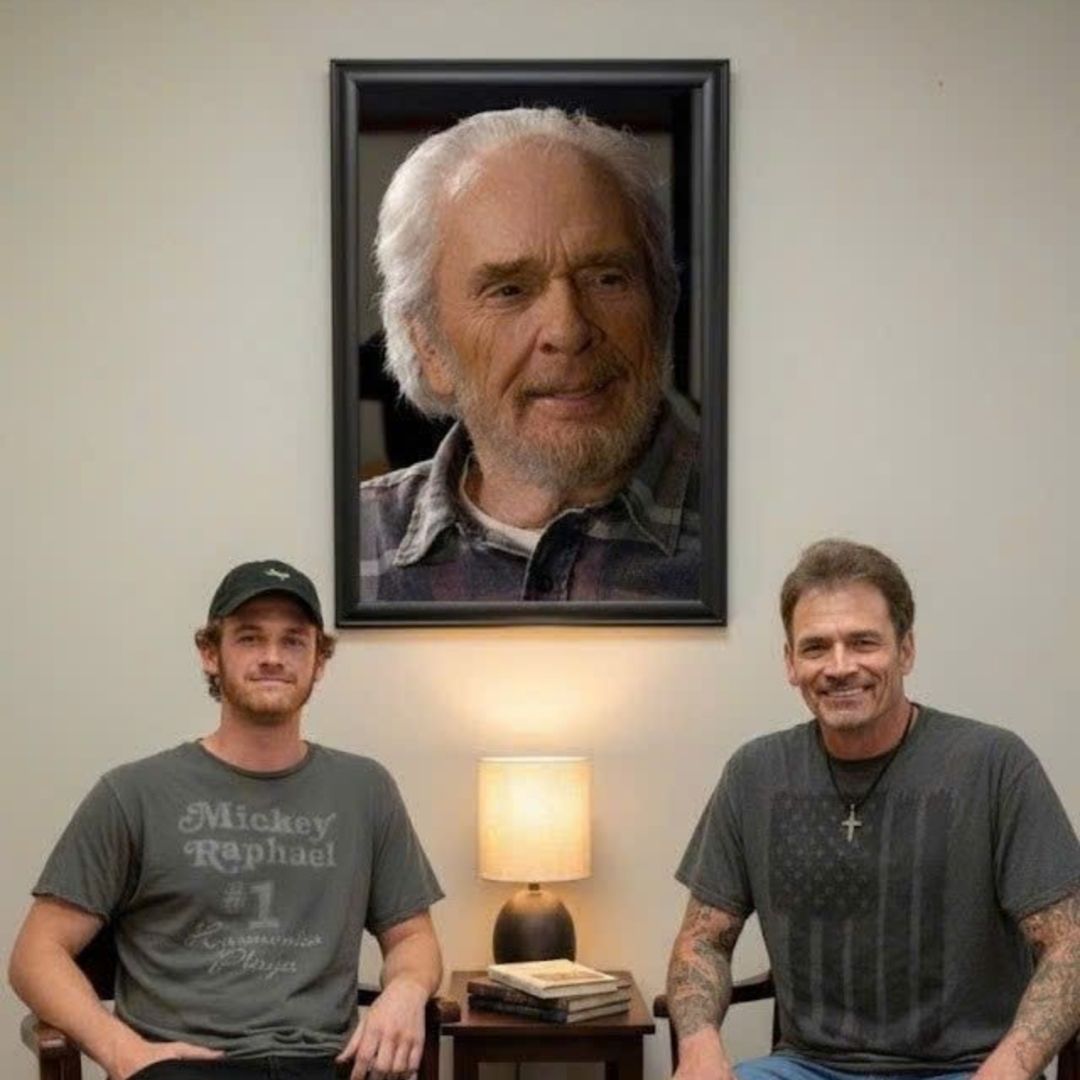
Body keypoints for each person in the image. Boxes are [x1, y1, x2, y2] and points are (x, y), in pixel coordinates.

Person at [9, 559, 444, 1080]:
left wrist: (406, 991)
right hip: (185, 1066)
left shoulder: (365, 789)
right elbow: (36, 954)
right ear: (210, 653)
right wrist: (122, 1051)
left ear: (319, 661)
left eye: (293, 641)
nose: (272, 657)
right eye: (249, 638)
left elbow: (413, 938)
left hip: (326, 1063)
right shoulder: (133, 794)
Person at [667, 539, 1080, 1080]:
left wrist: (1011, 1066)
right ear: (790, 663)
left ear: (905, 650)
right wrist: (699, 1048)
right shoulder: (754, 773)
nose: (840, 667)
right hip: (806, 1067)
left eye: (863, 642)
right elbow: (703, 939)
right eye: (816, 648)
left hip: (967, 1068)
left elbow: (1070, 944)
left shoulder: (995, 764)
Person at [360, 106, 700, 603]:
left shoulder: (767, 515)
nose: (568, 330)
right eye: (509, 290)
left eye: (606, 279)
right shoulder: (348, 547)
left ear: (661, 307)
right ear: (428, 346)